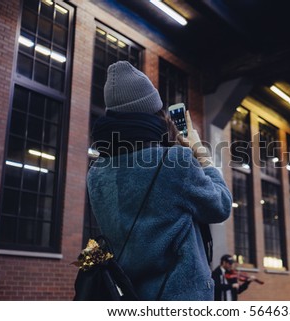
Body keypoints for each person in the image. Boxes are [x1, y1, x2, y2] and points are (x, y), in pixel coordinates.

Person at [87, 61, 232, 300]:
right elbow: (221, 206)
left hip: (129, 295)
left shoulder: (96, 172)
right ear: (153, 113)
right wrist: (200, 154)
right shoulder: (175, 160)